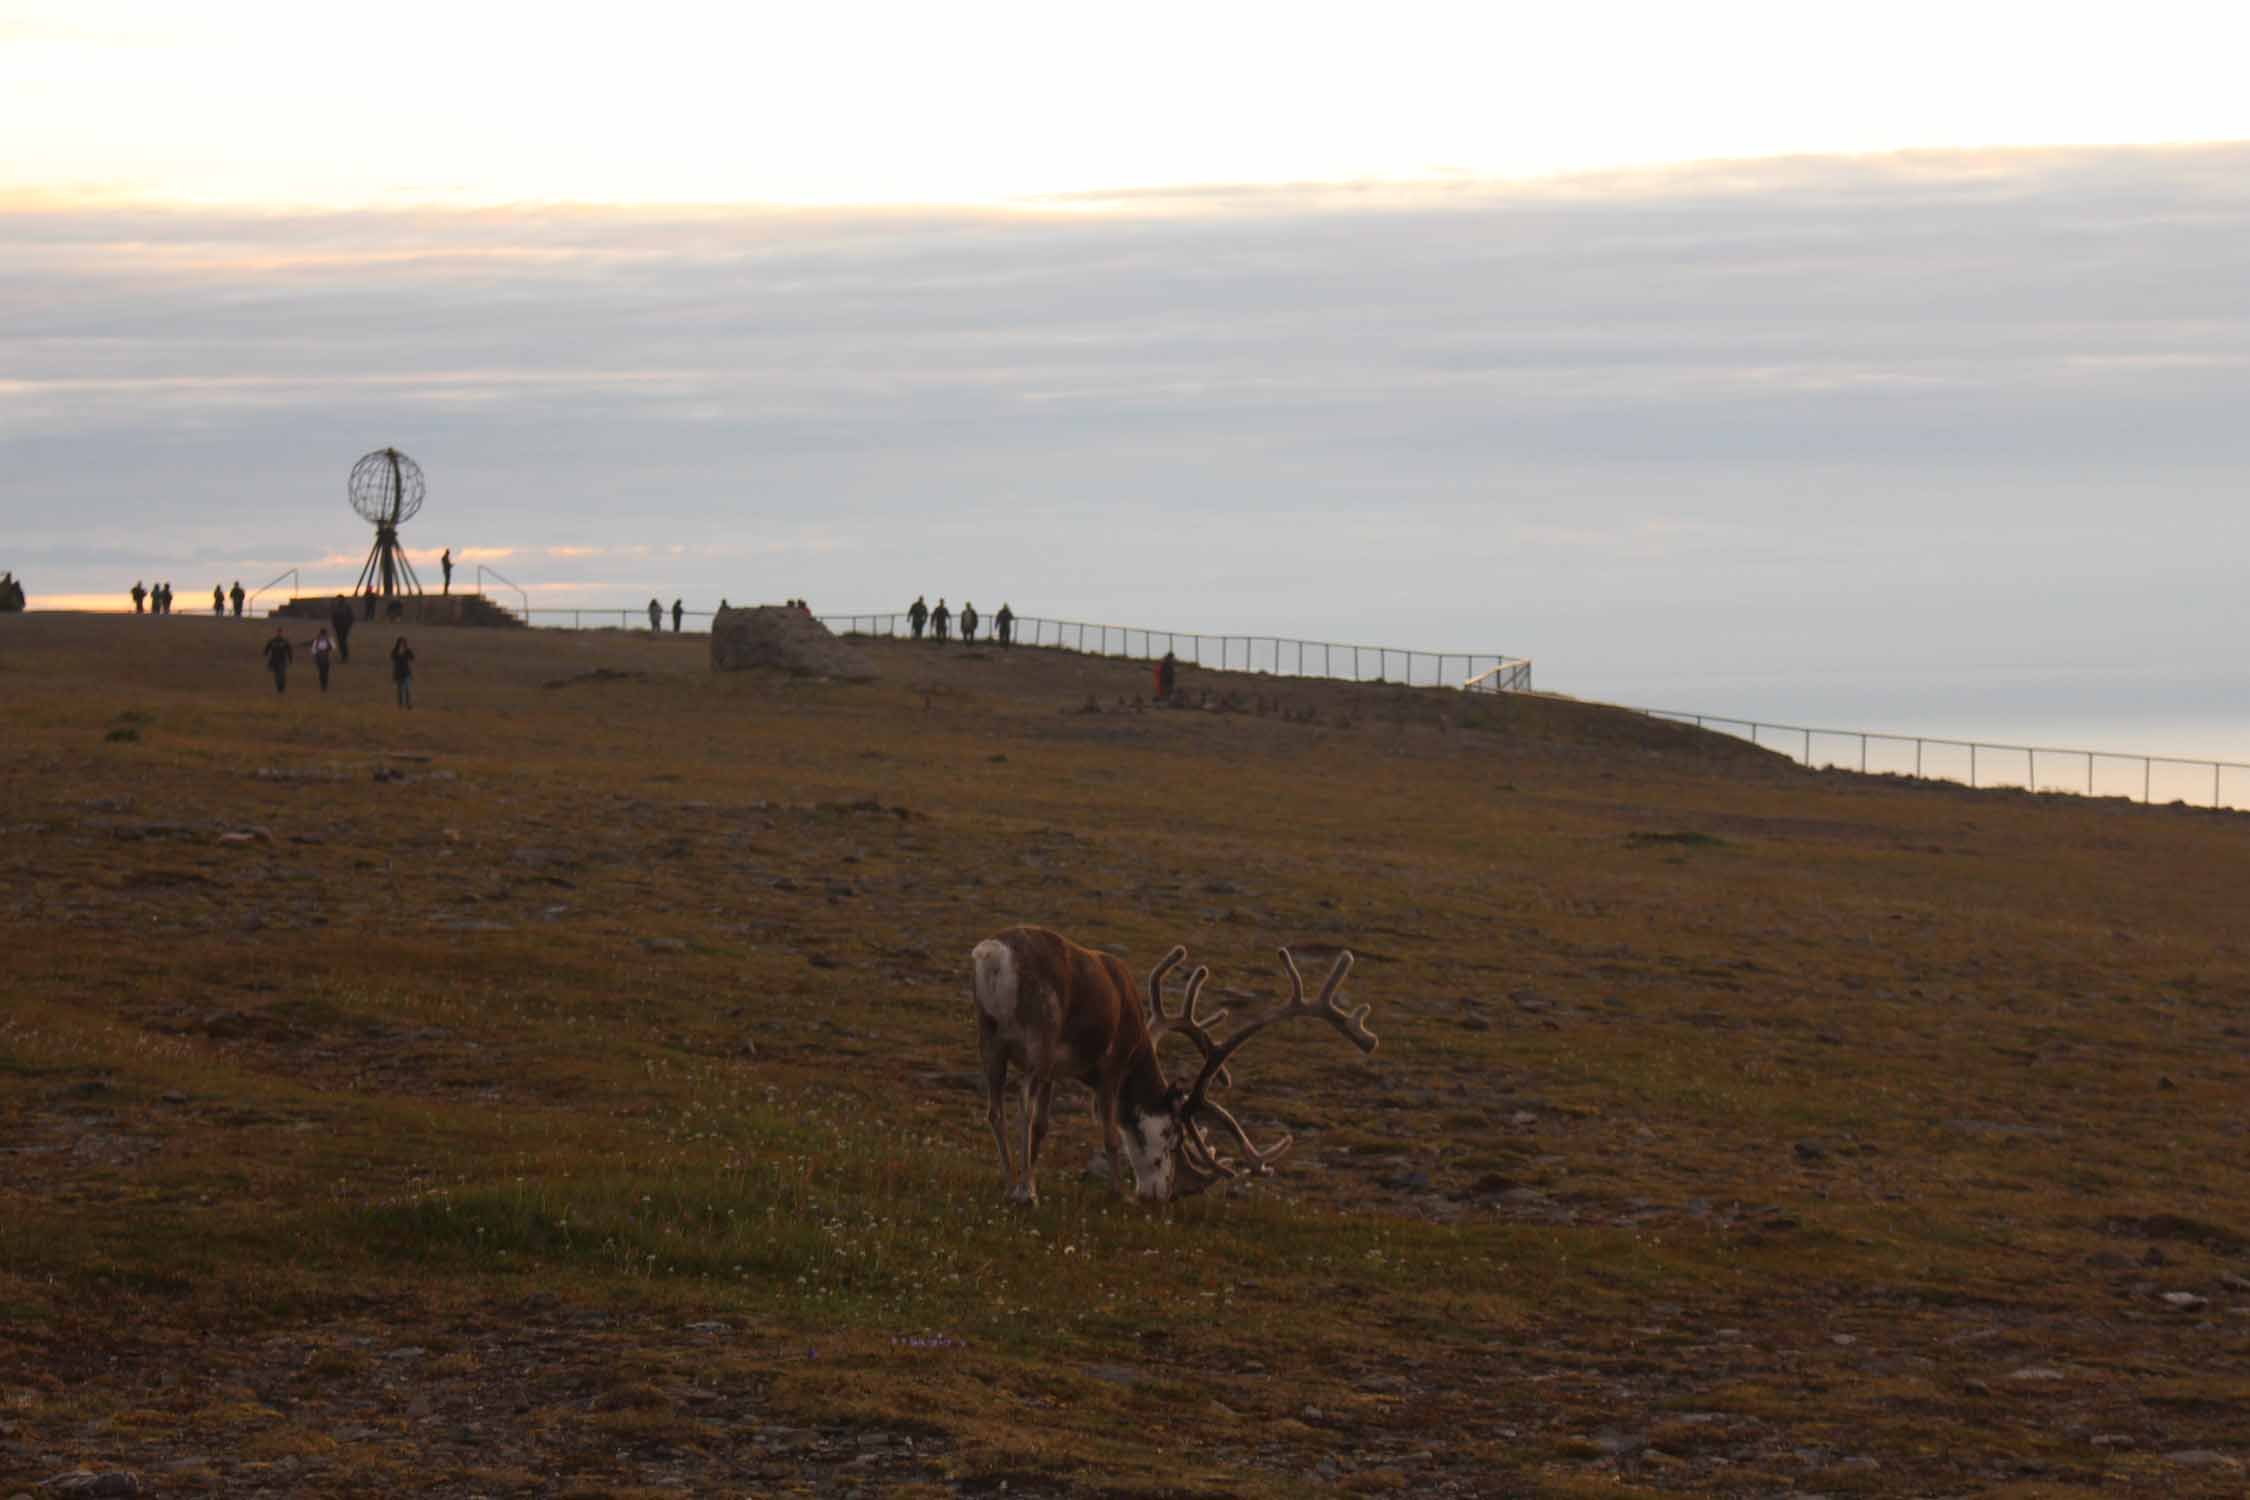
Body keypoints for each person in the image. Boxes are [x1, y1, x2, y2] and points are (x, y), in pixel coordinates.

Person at [262, 627, 293, 693]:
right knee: (276, 675)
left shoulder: (285, 641)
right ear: (276, 633)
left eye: (280, 632)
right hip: (274, 660)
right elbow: (267, 648)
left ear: (282, 633)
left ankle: (282, 687)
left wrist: (290, 659)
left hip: (282, 660)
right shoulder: (272, 641)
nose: (279, 634)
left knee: (282, 675)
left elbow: (289, 651)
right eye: (278, 632)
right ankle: (279, 687)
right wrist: (265, 654)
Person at [389, 637, 415, 709]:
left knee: (408, 690)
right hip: (399, 674)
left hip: (406, 673)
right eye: (400, 643)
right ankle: (400, 706)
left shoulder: (407, 651)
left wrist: (407, 650)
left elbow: (412, 657)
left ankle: (409, 705)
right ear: (398, 643)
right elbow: (391, 657)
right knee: (400, 691)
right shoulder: (395, 652)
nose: (401, 644)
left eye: (403, 643)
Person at [329, 595, 355, 663]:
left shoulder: (346, 607)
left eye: (339, 599)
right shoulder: (336, 607)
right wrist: (334, 625)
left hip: (344, 627)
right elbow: (333, 617)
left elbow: (352, 618)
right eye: (337, 599)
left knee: (342, 641)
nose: (338, 600)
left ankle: (345, 657)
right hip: (338, 627)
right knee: (341, 642)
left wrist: (348, 625)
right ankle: (344, 656)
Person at [307, 626, 335, 691]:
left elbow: (333, 648)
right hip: (320, 658)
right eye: (323, 634)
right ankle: (323, 685)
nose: (323, 635)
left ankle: (324, 685)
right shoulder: (318, 640)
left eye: (323, 634)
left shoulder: (328, 639)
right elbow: (313, 650)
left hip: (325, 658)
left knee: (324, 672)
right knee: (322, 672)